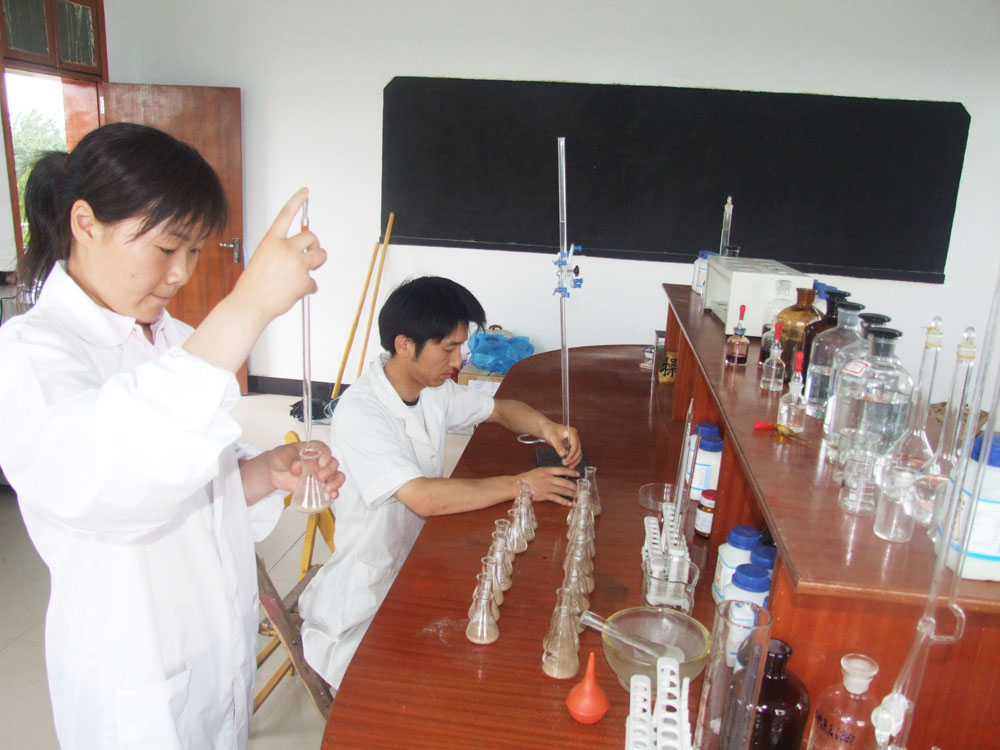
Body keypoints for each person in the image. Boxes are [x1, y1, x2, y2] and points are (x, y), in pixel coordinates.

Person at [0, 123, 345, 748]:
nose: (181, 273)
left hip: (214, 650)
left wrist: (264, 472)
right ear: (85, 223)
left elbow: (195, 487)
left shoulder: (176, 340)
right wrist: (247, 305)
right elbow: (117, 480)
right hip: (133, 679)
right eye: (165, 249)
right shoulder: (30, 355)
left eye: (194, 251)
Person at [299, 275, 582, 688]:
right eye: (449, 348)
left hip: (419, 554)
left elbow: (501, 410)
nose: (459, 359)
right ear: (404, 345)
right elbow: (423, 498)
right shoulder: (362, 413)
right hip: (370, 584)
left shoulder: (430, 388)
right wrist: (523, 484)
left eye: (461, 346)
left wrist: (546, 427)